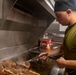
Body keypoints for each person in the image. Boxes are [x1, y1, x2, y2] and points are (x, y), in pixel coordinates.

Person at [39, 0, 76, 75]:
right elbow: (63, 48)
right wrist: (48, 53)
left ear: (68, 12)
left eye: (58, 15)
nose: (56, 19)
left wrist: (65, 63)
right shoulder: (69, 29)